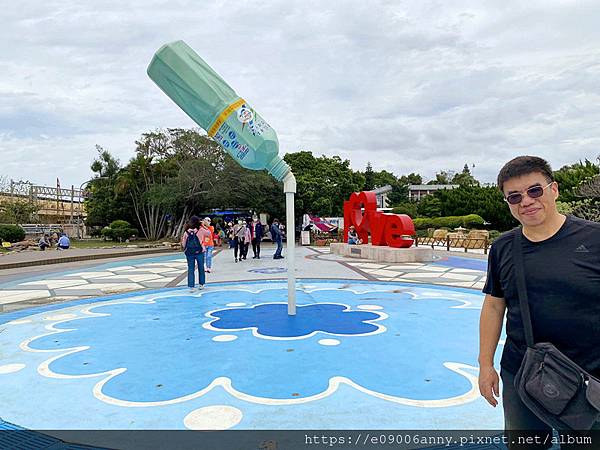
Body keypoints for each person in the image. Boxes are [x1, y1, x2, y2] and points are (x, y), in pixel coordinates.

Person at [478, 156, 600, 448]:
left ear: (554, 189)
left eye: (535, 190)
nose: (527, 201)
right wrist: (485, 365)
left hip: (590, 375)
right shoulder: (503, 248)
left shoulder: (595, 239)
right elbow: (494, 306)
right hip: (524, 372)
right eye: (515, 196)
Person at [181, 215, 210, 291]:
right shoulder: (201, 230)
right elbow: (209, 234)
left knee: (191, 268)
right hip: (200, 252)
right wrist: (204, 226)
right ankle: (201, 284)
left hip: (189, 253)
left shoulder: (186, 231)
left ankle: (191, 286)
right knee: (201, 267)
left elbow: (183, 243)